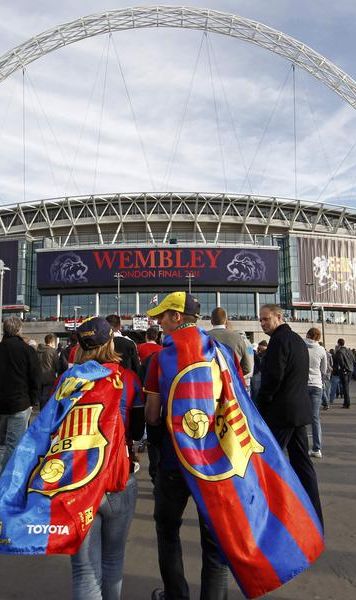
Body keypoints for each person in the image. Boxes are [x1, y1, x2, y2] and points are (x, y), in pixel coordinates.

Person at [144, 292, 230, 600]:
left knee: (167, 529)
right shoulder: (220, 352)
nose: (157, 322)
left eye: (161, 316)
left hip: (174, 459)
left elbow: (152, 416)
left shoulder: (159, 358)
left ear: (176, 318)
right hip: (215, 460)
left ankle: (175, 594)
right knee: (215, 538)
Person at [71, 317, 145, 600]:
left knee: (84, 572)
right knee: (113, 561)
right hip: (119, 476)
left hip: (79, 482)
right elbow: (137, 430)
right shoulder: (128, 378)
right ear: (110, 342)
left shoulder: (67, 382)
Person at [256, 304, 323, 526]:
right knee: (302, 463)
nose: (263, 323)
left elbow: (273, 378)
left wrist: (261, 404)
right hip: (297, 412)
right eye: (261, 320)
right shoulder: (297, 340)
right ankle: (314, 515)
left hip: (281, 414)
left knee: (268, 464)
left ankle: (271, 517)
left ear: (279, 317)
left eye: (266, 319)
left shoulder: (278, 341)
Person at [0, 316, 40, 474]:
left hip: (2, 402)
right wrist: (33, 399)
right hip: (20, 403)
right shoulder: (27, 350)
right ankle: (5, 478)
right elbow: (35, 377)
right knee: (13, 444)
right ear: (19, 330)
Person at [207, 307, 254, 389]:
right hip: (233, 385)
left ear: (211, 321)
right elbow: (248, 367)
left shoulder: (203, 336)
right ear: (226, 321)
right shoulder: (239, 338)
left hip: (210, 386)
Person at [305, 328, 327, 458]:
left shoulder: (302, 346)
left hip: (303, 384)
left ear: (308, 334)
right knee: (315, 418)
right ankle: (316, 448)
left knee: (300, 417)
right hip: (317, 385)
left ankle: (299, 445)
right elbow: (324, 370)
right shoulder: (321, 350)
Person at [37, 333, 60, 410]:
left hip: (39, 377)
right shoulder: (52, 351)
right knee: (47, 398)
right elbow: (57, 365)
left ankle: (41, 412)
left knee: (41, 397)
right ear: (52, 342)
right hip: (49, 377)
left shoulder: (38, 350)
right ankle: (44, 415)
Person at [333, 338, 354, 408]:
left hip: (344, 371)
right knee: (346, 386)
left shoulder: (339, 351)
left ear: (338, 343)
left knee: (345, 387)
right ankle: (346, 402)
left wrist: (344, 368)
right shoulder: (349, 351)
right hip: (350, 370)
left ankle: (347, 403)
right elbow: (353, 360)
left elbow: (340, 362)